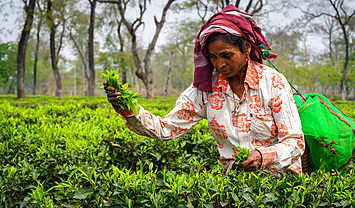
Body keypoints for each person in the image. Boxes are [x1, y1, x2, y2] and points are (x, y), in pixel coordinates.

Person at [104, 4, 305, 176]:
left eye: (227, 55)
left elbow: (295, 142)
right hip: (236, 188)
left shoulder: (272, 82)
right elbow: (165, 128)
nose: (220, 64)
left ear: (245, 48)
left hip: (280, 185)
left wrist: (263, 157)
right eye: (213, 57)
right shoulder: (206, 89)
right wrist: (127, 107)